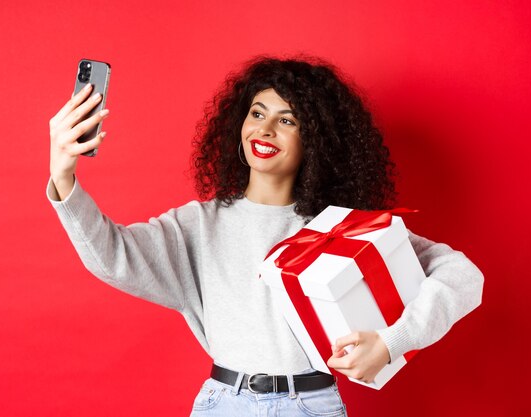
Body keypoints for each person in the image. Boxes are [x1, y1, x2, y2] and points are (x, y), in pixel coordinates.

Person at [47, 56, 483, 416]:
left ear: (316, 141)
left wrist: (392, 343)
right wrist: (63, 174)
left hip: (313, 404)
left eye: (287, 120)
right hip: (224, 403)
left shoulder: (345, 228)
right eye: (257, 113)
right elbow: (112, 255)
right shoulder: (198, 225)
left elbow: (463, 277)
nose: (265, 129)